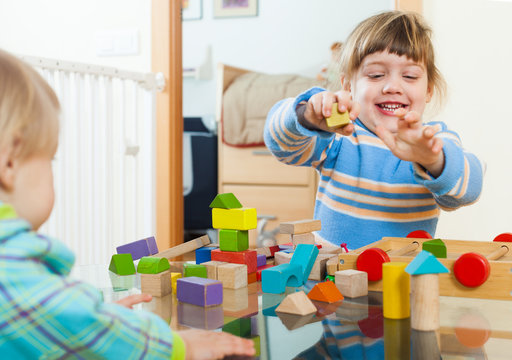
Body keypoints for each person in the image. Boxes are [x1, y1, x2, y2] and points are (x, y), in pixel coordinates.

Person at [0, 49, 255, 360]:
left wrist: (96, 317)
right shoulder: (14, 271)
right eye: (49, 158)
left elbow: (58, 323)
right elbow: (66, 319)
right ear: (9, 163)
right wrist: (180, 347)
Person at [264, 11, 484, 250]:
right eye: (376, 75)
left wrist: (432, 160)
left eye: (409, 76)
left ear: (428, 89)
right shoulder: (339, 135)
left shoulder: (433, 141)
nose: (392, 87)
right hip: (332, 277)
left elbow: (468, 190)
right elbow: (281, 146)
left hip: (401, 281)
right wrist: (306, 116)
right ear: (349, 85)